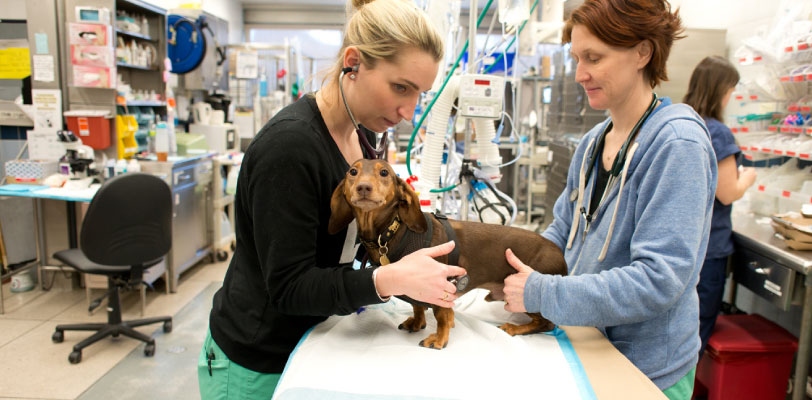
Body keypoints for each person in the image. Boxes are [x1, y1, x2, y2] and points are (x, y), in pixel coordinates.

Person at [198, 1, 466, 398]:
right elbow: (289, 286)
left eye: (419, 94)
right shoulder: (290, 149)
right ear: (353, 63)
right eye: (400, 87)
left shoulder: (362, 137)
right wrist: (387, 279)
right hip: (258, 361)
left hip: (313, 341)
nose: (408, 111)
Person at [501, 0, 717, 399]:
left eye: (594, 58)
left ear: (642, 52)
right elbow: (563, 232)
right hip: (587, 342)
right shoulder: (592, 143)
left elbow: (658, 280)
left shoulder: (676, 144)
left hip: (646, 367)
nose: (580, 74)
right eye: (577, 58)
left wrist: (542, 293)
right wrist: (510, 267)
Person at [684, 56, 757, 358]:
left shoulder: (683, 122)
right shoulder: (718, 132)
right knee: (696, 335)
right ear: (722, 90)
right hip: (709, 248)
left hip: (683, 244)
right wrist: (748, 177)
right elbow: (727, 193)